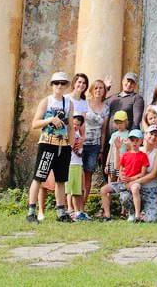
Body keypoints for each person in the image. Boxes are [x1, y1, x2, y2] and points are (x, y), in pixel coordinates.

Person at [26, 71, 72, 224]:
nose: (59, 85)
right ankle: (31, 211)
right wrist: (50, 119)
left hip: (63, 145)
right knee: (39, 177)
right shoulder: (46, 101)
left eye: (63, 83)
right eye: (57, 83)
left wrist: (70, 144)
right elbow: (35, 123)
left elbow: (71, 126)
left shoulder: (68, 103)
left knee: (61, 179)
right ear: (52, 85)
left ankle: (61, 212)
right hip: (47, 144)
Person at [99, 129, 146, 221]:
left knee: (135, 188)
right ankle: (107, 216)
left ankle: (137, 215)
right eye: (132, 140)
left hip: (135, 182)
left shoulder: (143, 156)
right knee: (103, 190)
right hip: (123, 183)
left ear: (141, 141)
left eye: (137, 140)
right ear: (129, 141)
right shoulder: (125, 155)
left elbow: (142, 173)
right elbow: (117, 168)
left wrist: (131, 179)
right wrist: (117, 149)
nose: (134, 143)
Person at [104, 72, 145, 167]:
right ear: (123, 81)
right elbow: (100, 103)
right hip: (110, 139)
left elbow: (136, 120)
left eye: (132, 82)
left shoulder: (136, 98)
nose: (129, 84)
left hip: (124, 141)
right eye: (127, 81)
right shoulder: (113, 97)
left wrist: (130, 140)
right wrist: (106, 88)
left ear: (135, 85)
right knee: (109, 168)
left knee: (121, 169)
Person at [81, 78, 109, 205]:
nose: (98, 90)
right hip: (81, 143)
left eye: (101, 88)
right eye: (96, 88)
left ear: (104, 91)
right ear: (91, 90)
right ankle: (71, 206)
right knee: (76, 174)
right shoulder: (85, 103)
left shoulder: (106, 108)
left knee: (88, 175)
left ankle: (82, 206)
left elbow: (103, 131)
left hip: (94, 146)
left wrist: (101, 149)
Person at [132, 125, 157, 222]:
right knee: (125, 195)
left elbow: (153, 174)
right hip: (136, 187)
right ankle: (132, 213)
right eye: (151, 133)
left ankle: (144, 213)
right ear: (145, 135)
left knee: (152, 219)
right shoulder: (136, 150)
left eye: (156, 135)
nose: (153, 137)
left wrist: (134, 181)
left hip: (151, 188)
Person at [64, 113, 90, 220]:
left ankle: (78, 212)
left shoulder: (79, 137)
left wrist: (81, 144)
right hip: (69, 164)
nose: (75, 126)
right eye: (74, 124)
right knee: (68, 189)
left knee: (77, 190)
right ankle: (69, 210)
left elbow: (80, 153)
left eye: (78, 125)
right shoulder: (68, 134)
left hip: (78, 165)